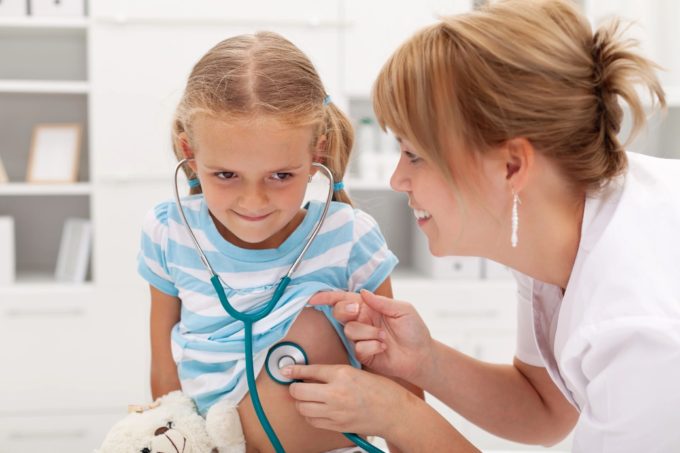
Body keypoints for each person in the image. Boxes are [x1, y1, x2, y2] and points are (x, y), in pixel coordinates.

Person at [284, 0, 680, 452]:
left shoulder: (643, 334)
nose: (397, 180)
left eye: (414, 155)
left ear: (511, 166)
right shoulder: (555, 225)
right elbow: (544, 411)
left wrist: (400, 416)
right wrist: (424, 361)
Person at [137, 31, 412, 453]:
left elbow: (399, 379)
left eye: (281, 176)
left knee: (308, 327)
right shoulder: (170, 232)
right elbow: (164, 376)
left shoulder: (349, 237)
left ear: (316, 155)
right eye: (225, 175)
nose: (254, 201)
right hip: (212, 443)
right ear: (190, 156)